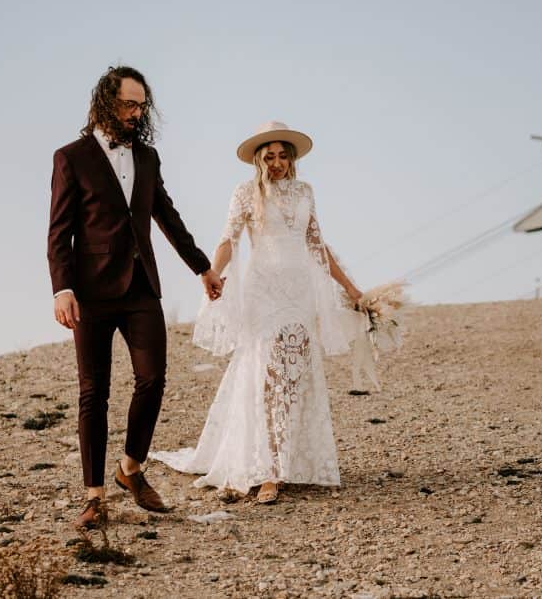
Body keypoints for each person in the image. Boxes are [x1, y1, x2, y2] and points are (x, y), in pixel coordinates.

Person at [47, 66, 224, 529]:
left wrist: (202, 266)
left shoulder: (147, 157)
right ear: (107, 102)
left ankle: (130, 468)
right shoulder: (71, 157)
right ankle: (94, 496)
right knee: (94, 394)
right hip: (90, 293)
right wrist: (62, 289)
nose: (136, 112)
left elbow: (167, 215)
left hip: (142, 286)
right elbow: (59, 232)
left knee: (153, 378)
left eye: (141, 105)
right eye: (129, 104)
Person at [151, 121, 361, 504]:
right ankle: (265, 471)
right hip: (264, 293)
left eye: (283, 156)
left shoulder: (305, 192)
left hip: (300, 294)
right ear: (259, 161)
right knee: (266, 376)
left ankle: (286, 462)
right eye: (270, 156)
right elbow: (229, 239)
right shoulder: (246, 193)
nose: (277, 162)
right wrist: (212, 273)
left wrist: (350, 288)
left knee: (293, 377)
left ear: (291, 159)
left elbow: (318, 246)